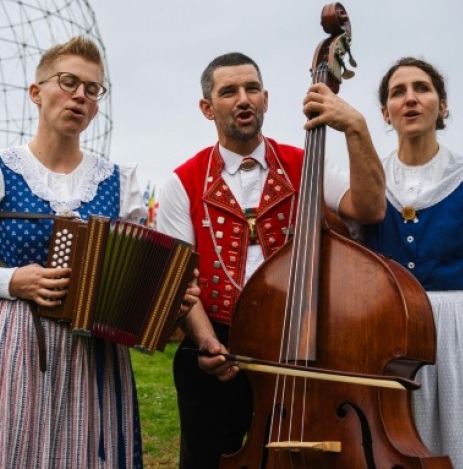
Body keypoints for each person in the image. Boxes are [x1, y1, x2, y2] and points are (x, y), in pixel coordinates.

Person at [0, 35, 198, 469]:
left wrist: (165, 303)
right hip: (8, 343)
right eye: (68, 82)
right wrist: (12, 280)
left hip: (93, 358)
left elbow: (130, 281)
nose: (80, 96)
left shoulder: (116, 182)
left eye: (92, 89)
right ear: (37, 92)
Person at [156, 51, 386, 469]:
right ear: (207, 108)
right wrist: (207, 341)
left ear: (265, 99)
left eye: (252, 89)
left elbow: (369, 209)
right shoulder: (181, 182)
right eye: (229, 92)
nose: (243, 99)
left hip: (300, 346)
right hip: (216, 345)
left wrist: (356, 127)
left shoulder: (305, 163)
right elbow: (180, 282)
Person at [323, 56, 463, 469]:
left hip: (458, 335)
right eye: (398, 92)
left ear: (443, 105)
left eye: (422, 88)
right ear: (385, 112)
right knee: (391, 452)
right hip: (388, 335)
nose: (410, 98)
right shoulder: (367, 180)